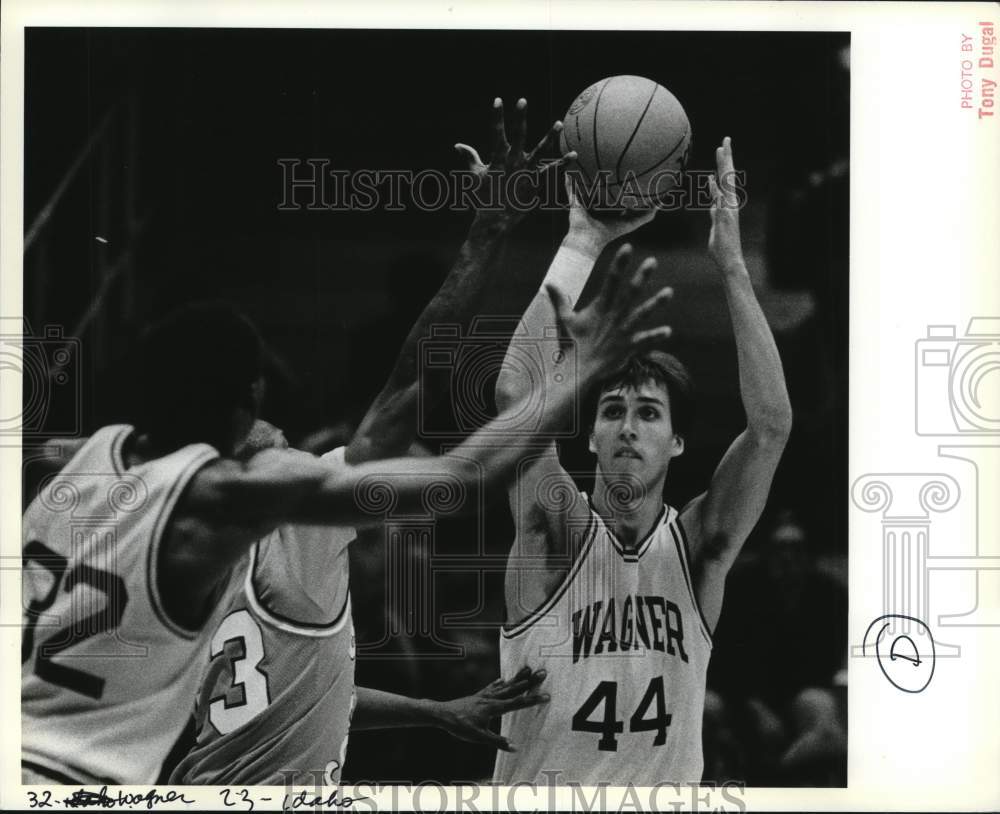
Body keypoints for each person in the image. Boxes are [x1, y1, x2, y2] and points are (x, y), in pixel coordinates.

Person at [21, 118, 671, 785]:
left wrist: (431, 711)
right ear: (238, 414)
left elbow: (299, 693)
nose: (279, 434)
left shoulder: (81, 461)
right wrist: (578, 369)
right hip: (81, 782)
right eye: (265, 414)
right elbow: (454, 467)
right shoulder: (254, 507)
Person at [167, 97, 573, 786]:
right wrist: (490, 230)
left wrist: (433, 711)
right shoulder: (297, 519)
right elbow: (407, 389)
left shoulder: (173, 558)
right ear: (244, 427)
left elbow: (299, 696)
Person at [491, 137, 793, 785]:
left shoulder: (698, 546)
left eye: (649, 413)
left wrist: (734, 267)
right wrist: (582, 242)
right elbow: (515, 392)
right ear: (591, 438)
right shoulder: (558, 532)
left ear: (678, 441)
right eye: (612, 411)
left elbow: (770, 427)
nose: (629, 427)